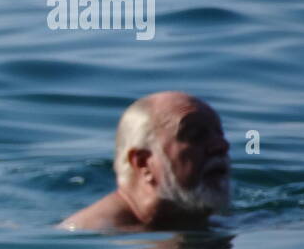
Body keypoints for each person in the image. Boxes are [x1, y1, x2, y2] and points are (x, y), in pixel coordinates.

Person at [59, 91, 231, 231]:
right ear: (143, 163)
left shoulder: (200, 214)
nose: (221, 146)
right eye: (194, 136)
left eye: (219, 134)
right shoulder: (94, 232)